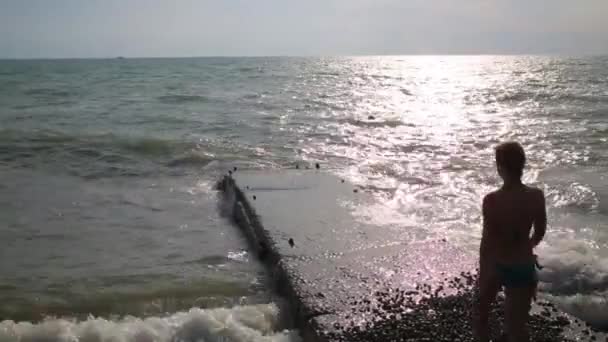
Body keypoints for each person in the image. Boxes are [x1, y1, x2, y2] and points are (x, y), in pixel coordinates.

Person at [474, 142, 547, 342]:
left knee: (481, 316)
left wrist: (483, 273)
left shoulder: (492, 200)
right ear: (523, 164)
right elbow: (540, 232)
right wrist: (526, 247)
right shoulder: (536, 196)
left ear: (500, 166)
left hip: (497, 264)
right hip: (522, 264)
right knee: (517, 328)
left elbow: (487, 242)